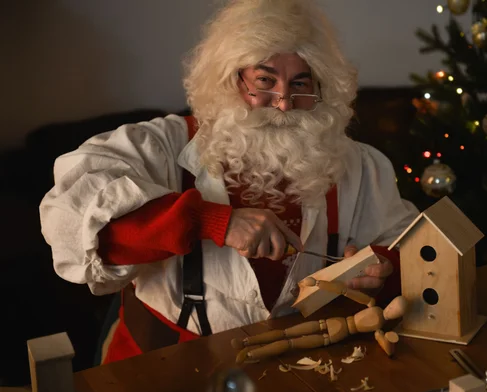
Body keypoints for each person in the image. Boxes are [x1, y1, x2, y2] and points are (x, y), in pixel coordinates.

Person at [39, 0, 419, 364]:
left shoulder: (358, 164)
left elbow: (411, 250)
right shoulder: (159, 146)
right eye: (265, 81)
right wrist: (215, 221)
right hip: (166, 366)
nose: (284, 102)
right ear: (229, 80)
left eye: (301, 84)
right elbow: (72, 222)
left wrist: (382, 270)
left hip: (308, 363)